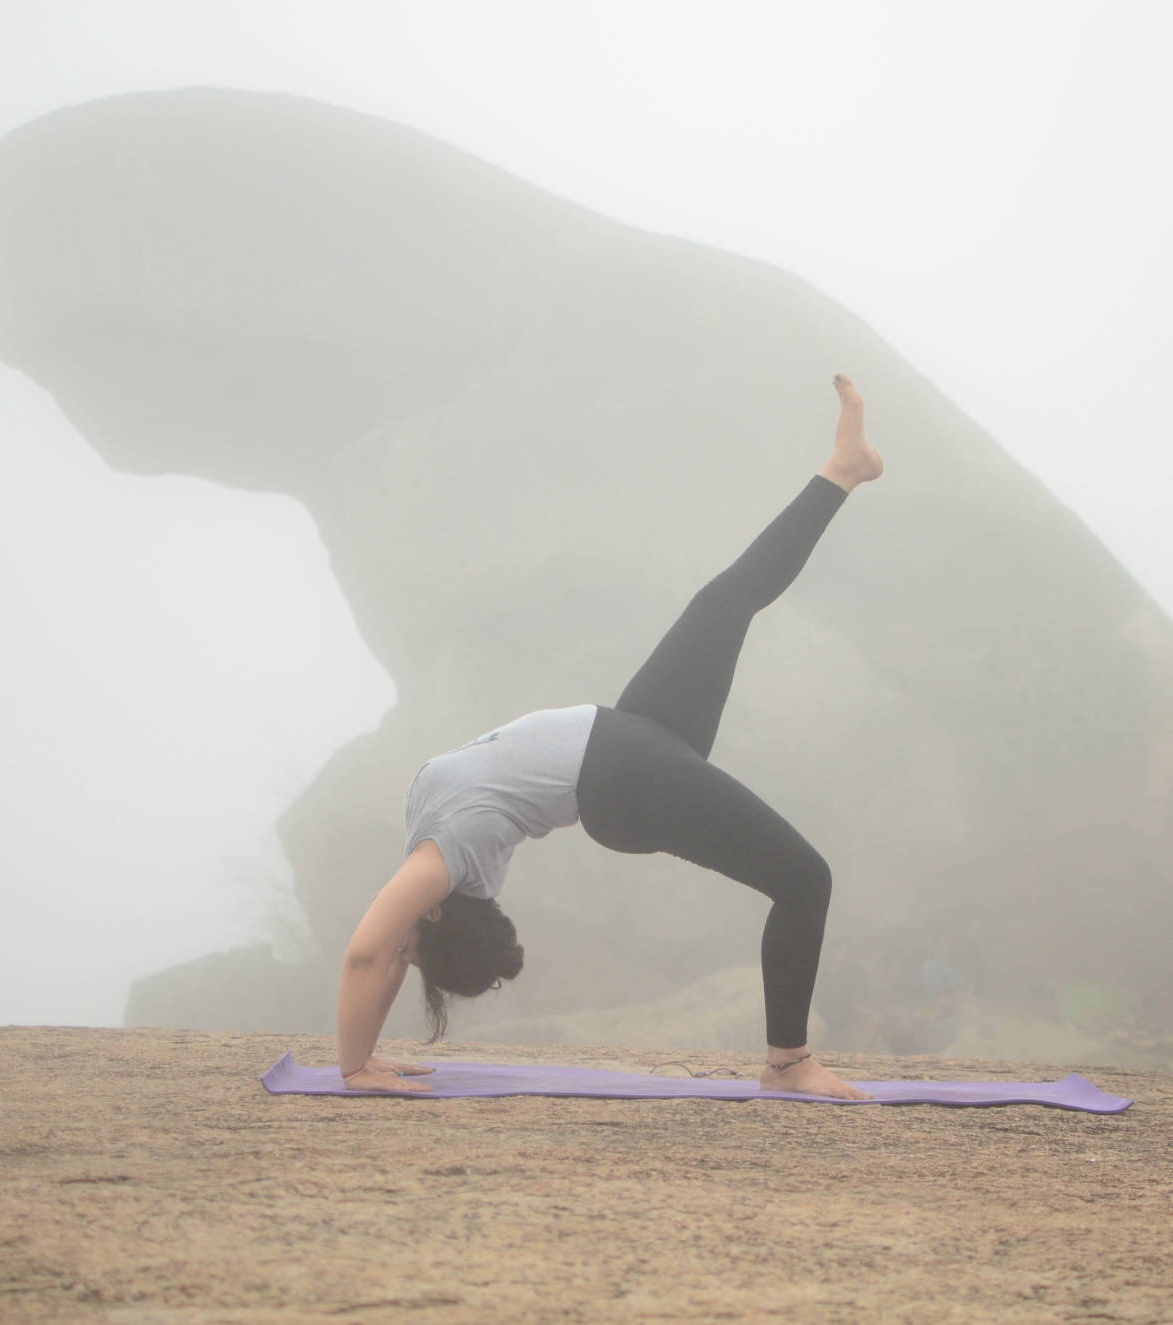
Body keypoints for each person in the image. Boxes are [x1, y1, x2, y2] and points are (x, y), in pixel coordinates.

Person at [334, 374, 884, 1101]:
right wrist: (353, 1066)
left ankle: (842, 470)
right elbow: (367, 955)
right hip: (622, 774)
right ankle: (789, 1063)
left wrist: (363, 1050)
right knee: (806, 881)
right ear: (437, 913)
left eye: (409, 943)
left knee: (725, 601)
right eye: (414, 940)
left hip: (630, 734)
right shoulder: (447, 855)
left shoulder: (432, 844)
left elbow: (388, 951)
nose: (399, 946)